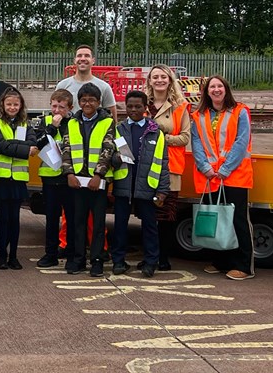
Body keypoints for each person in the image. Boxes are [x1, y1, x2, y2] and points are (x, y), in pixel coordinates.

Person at [192, 75, 255, 281]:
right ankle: (221, 261)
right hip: (210, 176)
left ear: (226, 89)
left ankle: (244, 265)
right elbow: (197, 143)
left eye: (220, 86)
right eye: (212, 87)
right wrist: (205, 167)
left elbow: (241, 142)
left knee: (237, 221)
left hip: (233, 175)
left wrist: (225, 169)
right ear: (206, 91)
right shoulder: (199, 115)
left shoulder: (240, 111)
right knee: (218, 220)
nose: (216, 90)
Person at [60, 83, 115, 277]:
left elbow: (108, 150)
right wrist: (69, 174)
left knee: (98, 224)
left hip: (97, 183)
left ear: (99, 102)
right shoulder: (72, 123)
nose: (87, 103)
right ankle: (78, 259)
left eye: (91, 100)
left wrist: (98, 175)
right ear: (78, 102)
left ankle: (97, 260)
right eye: (83, 100)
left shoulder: (107, 122)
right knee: (77, 222)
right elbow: (66, 150)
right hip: (76, 181)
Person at [114, 90, 168, 278]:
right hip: (123, 186)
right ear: (125, 107)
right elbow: (111, 157)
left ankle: (150, 262)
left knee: (149, 226)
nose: (134, 110)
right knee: (120, 225)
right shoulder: (119, 130)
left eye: (138, 106)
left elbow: (163, 163)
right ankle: (118, 261)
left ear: (146, 108)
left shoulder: (155, 132)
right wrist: (116, 158)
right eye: (130, 106)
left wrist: (162, 190)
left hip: (147, 186)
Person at [146, 64, 192, 270]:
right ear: (149, 81)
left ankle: (163, 258)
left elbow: (185, 137)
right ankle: (150, 256)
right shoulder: (143, 104)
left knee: (165, 216)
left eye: (163, 77)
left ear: (170, 80)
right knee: (147, 215)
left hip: (170, 166)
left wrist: (163, 138)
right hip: (146, 167)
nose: (159, 80)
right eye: (155, 77)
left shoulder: (180, 106)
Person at [0, 87, 36, 270]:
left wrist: (14, 146)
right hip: (1, 178)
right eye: (9, 104)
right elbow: (1, 146)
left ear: (21, 105)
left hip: (18, 179)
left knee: (15, 220)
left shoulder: (26, 124)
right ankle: (2, 254)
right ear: (3, 105)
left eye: (16, 104)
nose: (12, 107)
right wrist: (22, 148)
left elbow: (32, 144)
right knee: (2, 219)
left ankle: (14, 256)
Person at [33, 89, 75, 269]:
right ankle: (50, 254)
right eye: (54, 106)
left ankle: (72, 254)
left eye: (62, 107)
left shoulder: (74, 123)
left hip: (69, 176)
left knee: (73, 218)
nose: (57, 110)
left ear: (70, 108)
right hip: (50, 177)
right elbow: (38, 142)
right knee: (51, 218)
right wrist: (52, 127)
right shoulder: (45, 121)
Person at [55, 44, 118, 122]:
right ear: (74, 60)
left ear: (93, 60)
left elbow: (112, 118)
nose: (83, 58)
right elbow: (56, 111)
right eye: (79, 56)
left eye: (87, 56)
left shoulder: (104, 87)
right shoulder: (62, 86)